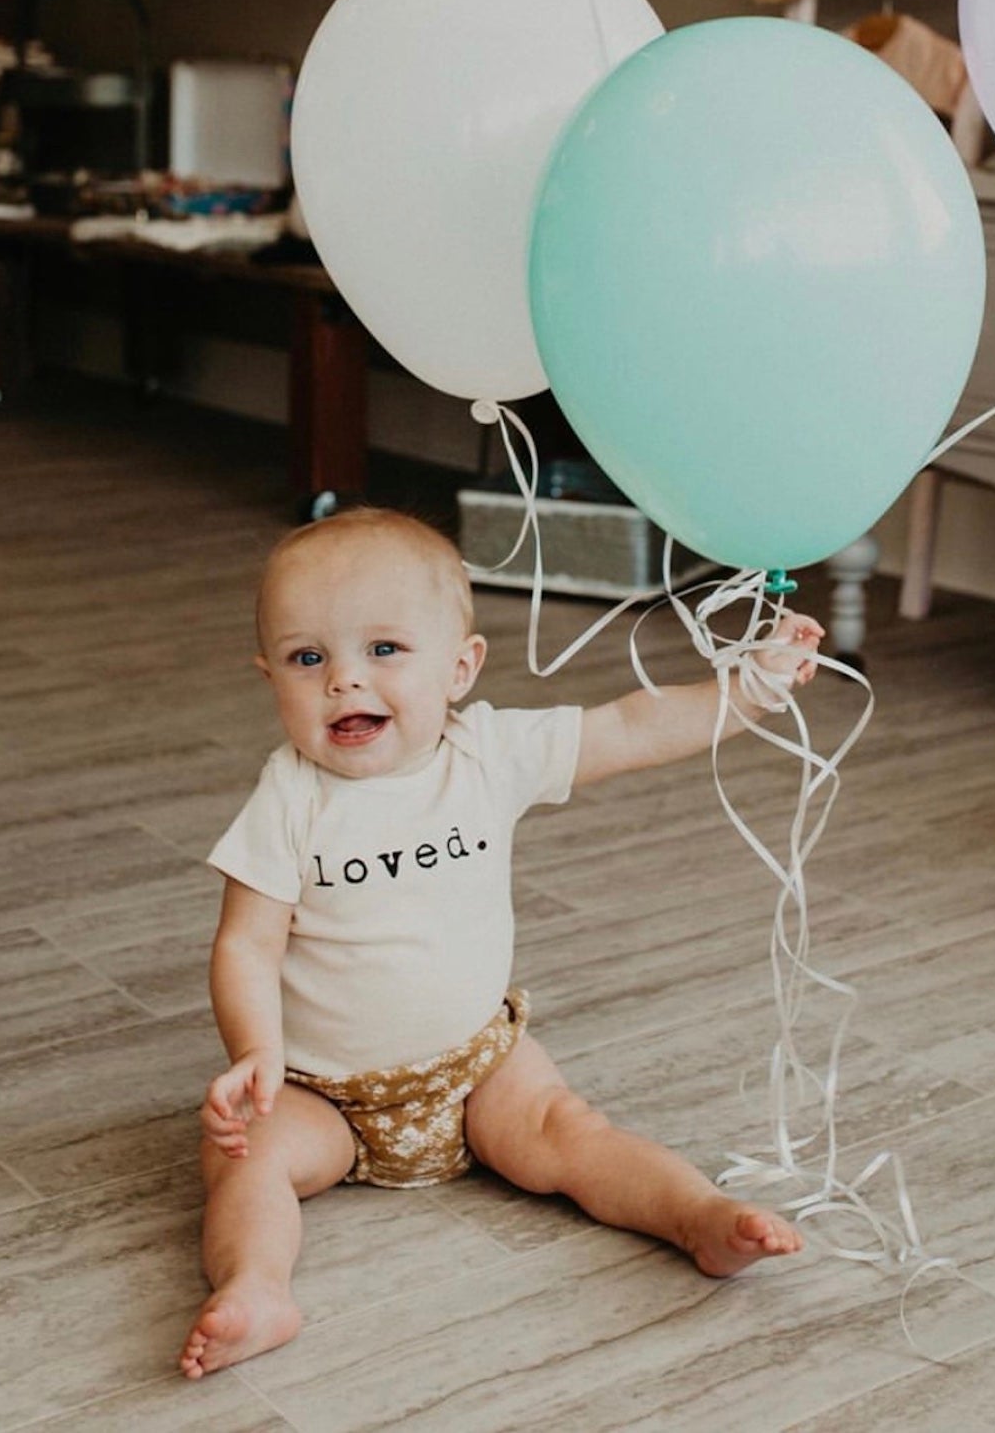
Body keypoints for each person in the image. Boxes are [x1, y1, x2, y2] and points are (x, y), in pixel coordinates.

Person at [179, 507, 824, 1379]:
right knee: (245, 1162)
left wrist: (747, 691)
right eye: (308, 659)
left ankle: (699, 1217)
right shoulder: (289, 797)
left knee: (571, 1134)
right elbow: (246, 945)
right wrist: (255, 1053)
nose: (343, 682)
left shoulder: (488, 752)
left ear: (460, 667)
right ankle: (258, 1289)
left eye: (384, 651)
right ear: (272, 679)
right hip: (322, 1090)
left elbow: (629, 728)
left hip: (477, 1066)